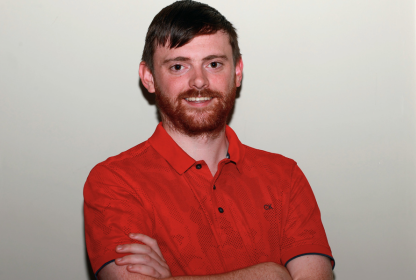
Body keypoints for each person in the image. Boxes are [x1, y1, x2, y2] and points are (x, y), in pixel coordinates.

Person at [84, 1, 335, 279]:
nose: (199, 81)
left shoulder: (285, 176)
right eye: (178, 66)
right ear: (149, 77)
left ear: (237, 72)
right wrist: (272, 274)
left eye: (214, 64)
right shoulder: (114, 182)